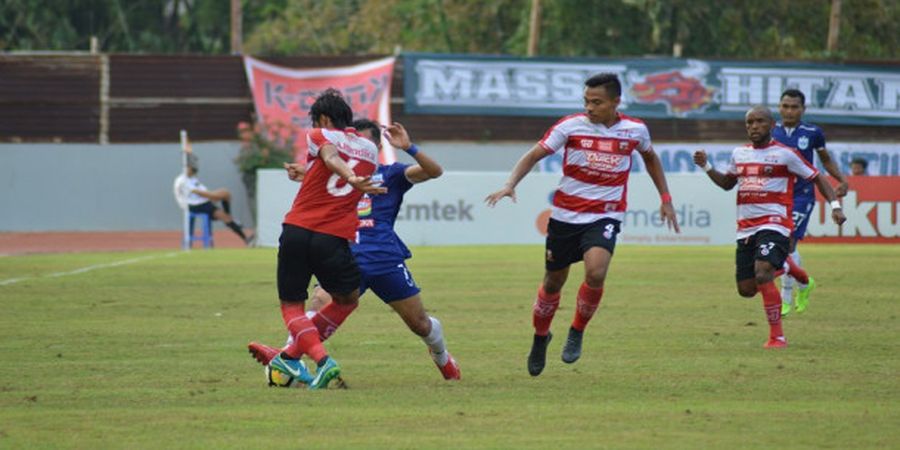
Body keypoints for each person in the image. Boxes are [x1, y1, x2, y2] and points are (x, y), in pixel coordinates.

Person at [485, 73, 680, 376]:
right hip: (565, 216)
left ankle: (576, 330)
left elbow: (651, 158)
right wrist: (510, 183)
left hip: (605, 214)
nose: (590, 107)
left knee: (596, 271)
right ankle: (540, 337)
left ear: (616, 102)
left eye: (597, 102)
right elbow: (535, 154)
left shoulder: (635, 130)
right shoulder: (571, 126)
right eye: (586, 101)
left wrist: (665, 197)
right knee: (553, 282)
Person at [250, 120, 461, 380]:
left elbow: (435, 171)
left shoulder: (391, 174)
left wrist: (409, 147)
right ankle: (288, 358)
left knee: (420, 324)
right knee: (319, 301)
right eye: (352, 144)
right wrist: (305, 173)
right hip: (343, 253)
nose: (356, 149)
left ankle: (441, 356)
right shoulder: (337, 175)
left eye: (363, 143)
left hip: (384, 259)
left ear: (376, 146)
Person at [247, 89, 385, 390]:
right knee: (347, 299)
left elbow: (331, 156)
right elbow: (332, 165)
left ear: (323, 118)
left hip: (298, 230)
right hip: (333, 237)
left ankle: (316, 361)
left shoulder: (319, 134)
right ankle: (291, 358)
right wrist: (314, 171)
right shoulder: (371, 149)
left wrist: (347, 175)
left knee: (292, 306)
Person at [693, 105, 846, 348]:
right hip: (746, 228)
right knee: (747, 289)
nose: (754, 127)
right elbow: (726, 184)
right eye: (749, 123)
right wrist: (706, 166)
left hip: (775, 224)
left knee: (763, 272)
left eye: (759, 122)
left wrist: (835, 206)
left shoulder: (786, 154)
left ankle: (777, 337)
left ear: (771, 125)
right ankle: (791, 268)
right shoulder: (739, 154)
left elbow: (816, 176)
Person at [773, 89, 849, 315]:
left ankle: (786, 296)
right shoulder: (770, 130)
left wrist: (842, 180)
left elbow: (825, 161)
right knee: (779, 244)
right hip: (776, 195)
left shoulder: (813, 132)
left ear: (802, 110)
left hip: (801, 195)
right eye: (785, 106)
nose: (789, 111)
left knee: (788, 242)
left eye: (794, 107)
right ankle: (804, 284)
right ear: (779, 107)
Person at [174, 151, 254, 245]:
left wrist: (213, 197)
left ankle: (245, 239)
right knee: (225, 195)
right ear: (188, 168)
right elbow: (199, 193)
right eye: (192, 168)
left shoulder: (193, 179)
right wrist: (213, 196)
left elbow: (203, 191)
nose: (194, 171)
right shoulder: (182, 180)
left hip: (203, 204)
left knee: (225, 208)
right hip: (193, 206)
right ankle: (235, 224)